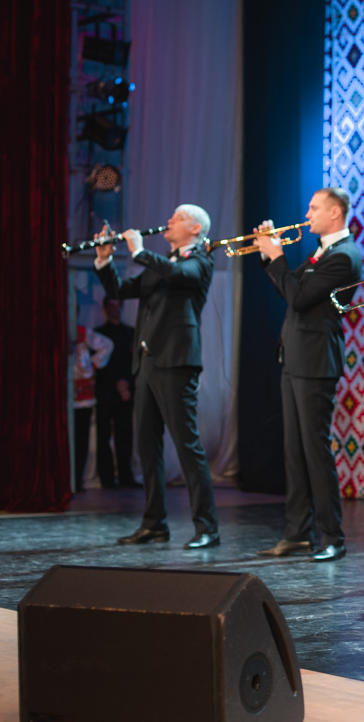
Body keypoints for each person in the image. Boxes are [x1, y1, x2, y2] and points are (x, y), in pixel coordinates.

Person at [93, 205, 220, 549]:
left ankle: (207, 527)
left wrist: (139, 251)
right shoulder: (160, 264)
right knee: (147, 447)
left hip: (176, 362)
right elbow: (119, 289)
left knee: (187, 445)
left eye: (177, 218)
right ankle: (154, 524)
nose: (169, 221)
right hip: (147, 362)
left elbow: (180, 275)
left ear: (195, 229)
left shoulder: (201, 259)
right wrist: (104, 259)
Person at [254, 188, 362, 563]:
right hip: (296, 358)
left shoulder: (344, 255)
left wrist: (276, 255)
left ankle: (332, 536)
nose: (307, 214)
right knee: (295, 450)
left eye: (314, 208)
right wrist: (269, 256)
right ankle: (297, 533)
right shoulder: (322, 251)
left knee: (316, 451)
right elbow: (289, 286)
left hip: (316, 362)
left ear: (335, 212)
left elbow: (299, 298)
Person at [94, 298, 140, 488]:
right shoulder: (98, 334)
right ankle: (106, 478)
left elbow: (135, 362)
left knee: (125, 435)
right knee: (104, 435)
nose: (114, 309)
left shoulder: (130, 332)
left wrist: (126, 383)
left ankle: (125, 476)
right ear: (105, 308)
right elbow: (99, 365)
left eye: (117, 305)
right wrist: (117, 383)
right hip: (106, 391)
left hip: (126, 392)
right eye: (111, 305)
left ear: (121, 306)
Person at [72, 323, 112, 493]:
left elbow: (107, 345)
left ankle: (77, 479)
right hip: (67, 396)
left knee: (81, 440)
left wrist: (91, 364)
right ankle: (68, 479)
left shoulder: (81, 332)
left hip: (83, 398)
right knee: (69, 439)